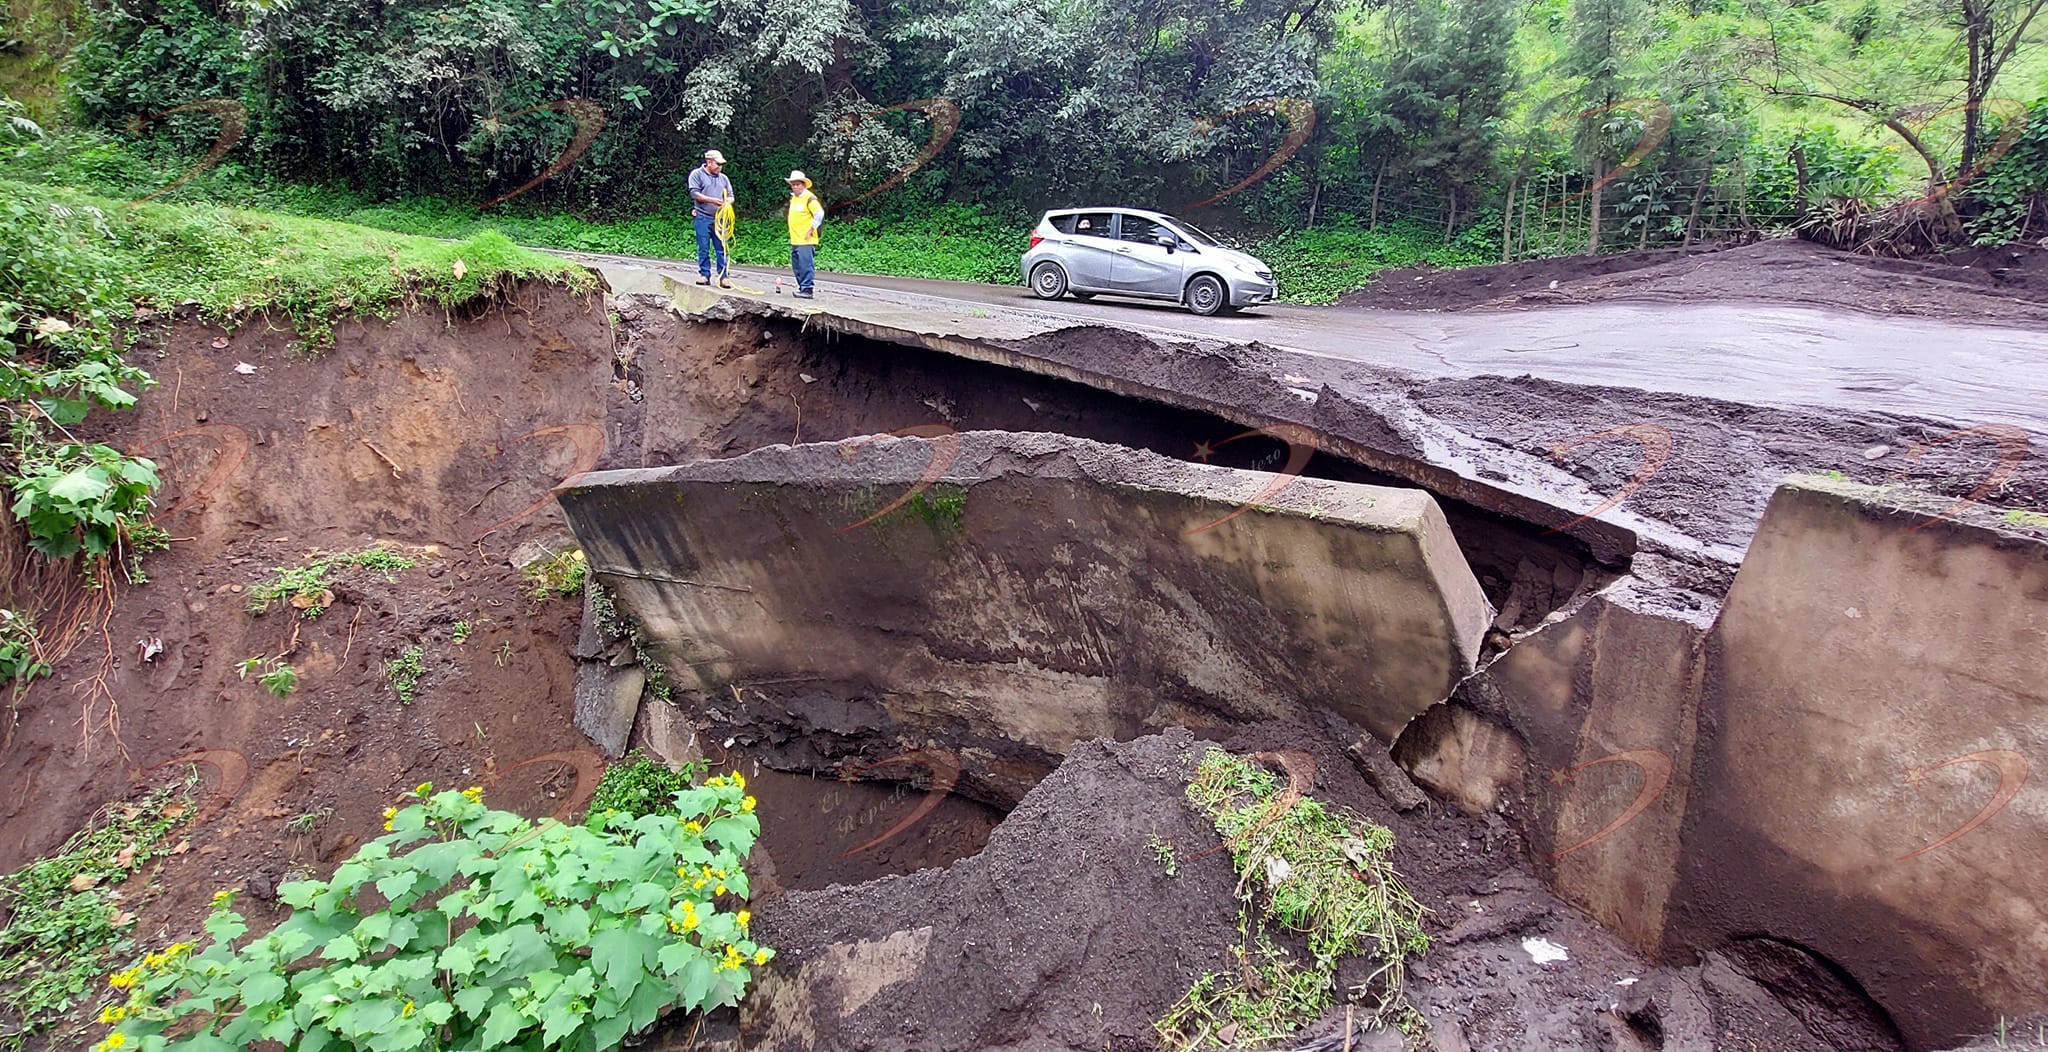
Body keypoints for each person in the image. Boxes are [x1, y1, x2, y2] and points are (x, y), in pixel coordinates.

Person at [688, 149, 734, 287]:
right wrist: (714, 201)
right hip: (703, 216)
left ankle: (723, 276)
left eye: (721, 164)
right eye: (717, 164)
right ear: (709, 162)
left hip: (720, 219)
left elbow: (731, 195)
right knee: (703, 247)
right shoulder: (697, 174)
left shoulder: (724, 178)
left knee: (722, 248)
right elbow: (695, 193)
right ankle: (704, 275)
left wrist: (727, 203)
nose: (720, 166)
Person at [785, 169, 824, 298]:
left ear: (804, 185)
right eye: (793, 184)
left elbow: (819, 213)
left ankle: (807, 289)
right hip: (796, 238)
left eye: (798, 184)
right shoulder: (794, 198)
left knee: (805, 264)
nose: (795, 187)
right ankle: (802, 287)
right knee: (797, 266)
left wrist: (811, 229)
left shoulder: (809, 198)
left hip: (806, 238)